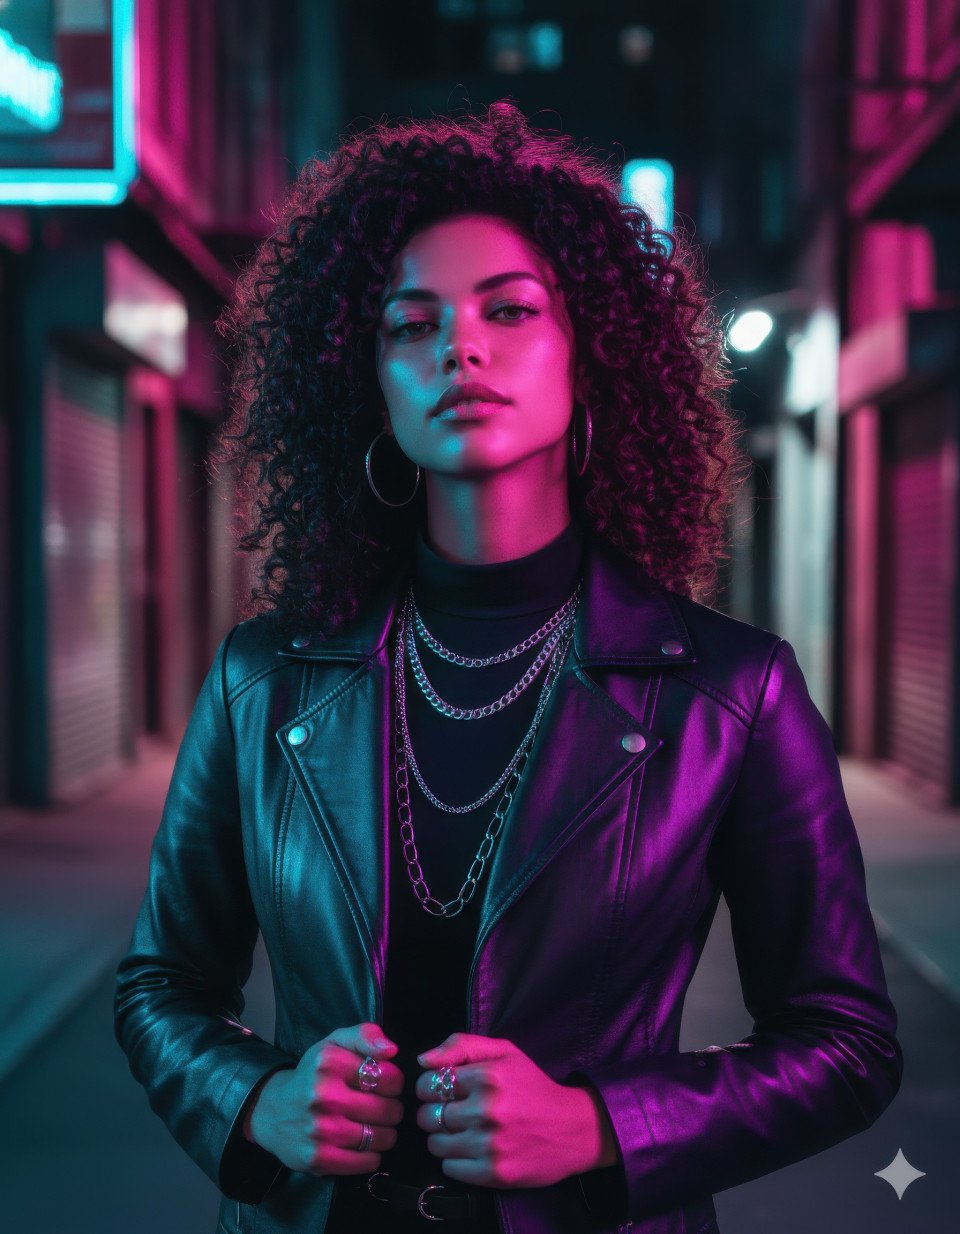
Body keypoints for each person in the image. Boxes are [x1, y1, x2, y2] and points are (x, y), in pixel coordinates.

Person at [114, 100, 903, 1234]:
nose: (459, 349)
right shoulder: (264, 678)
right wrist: (259, 1101)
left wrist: (600, 1125)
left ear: (592, 355)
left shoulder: (733, 693)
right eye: (410, 324)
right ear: (366, 377)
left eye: (511, 310)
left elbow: (846, 1041)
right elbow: (161, 987)